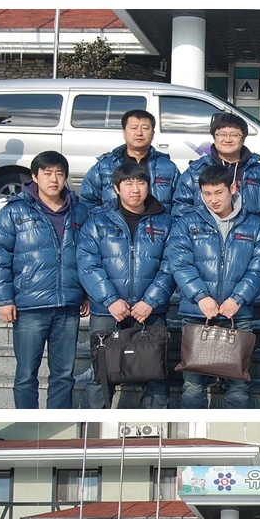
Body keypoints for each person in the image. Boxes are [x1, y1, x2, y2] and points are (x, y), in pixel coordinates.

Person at [162, 163, 260, 408]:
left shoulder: (254, 225)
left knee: (239, 385)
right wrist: (200, 296)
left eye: (219, 192)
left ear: (233, 188)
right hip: (197, 313)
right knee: (192, 385)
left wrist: (238, 299)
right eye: (207, 194)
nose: (213, 200)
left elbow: (259, 267)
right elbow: (180, 263)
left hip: (237, 315)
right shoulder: (187, 223)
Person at [0, 150, 87, 409]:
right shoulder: (15, 211)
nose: (54, 179)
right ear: (34, 176)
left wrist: (86, 293)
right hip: (30, 306)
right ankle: (26, 421)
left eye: (59, 173)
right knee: (26, 375)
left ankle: (58, 425)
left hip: (67, 305)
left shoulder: (79, 212)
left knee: (63, 376)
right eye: (47, 173)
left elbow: (89, 256)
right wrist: (4, 299)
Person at [77, 162, 174, 408]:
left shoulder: (165, 222)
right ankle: (97, 425)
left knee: (155, 374)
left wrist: (150, 301)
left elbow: (172, 264)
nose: (135, 189)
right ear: (116, 188)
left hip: (150, 311)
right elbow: (88, 263)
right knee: (101, 374)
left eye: (141, 183)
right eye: (128, 183)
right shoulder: (98, 221)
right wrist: (110, 299)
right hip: (107, 311)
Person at [80, 107, 179, 209]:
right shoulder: (104, 166)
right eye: (134, 128)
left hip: (158, 219)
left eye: (145, 128)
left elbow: (179, 203)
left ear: (153, 133)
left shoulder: (168, 167)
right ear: (124, 132)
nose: (139, 133)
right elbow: (87, 201)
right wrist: (103, 218)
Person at [174, 111, 260, 214]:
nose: (228, 139)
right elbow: (180, 208)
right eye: (222, 134)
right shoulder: (195, 171)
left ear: (243, 138)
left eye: (234, 135)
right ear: (214, 137)